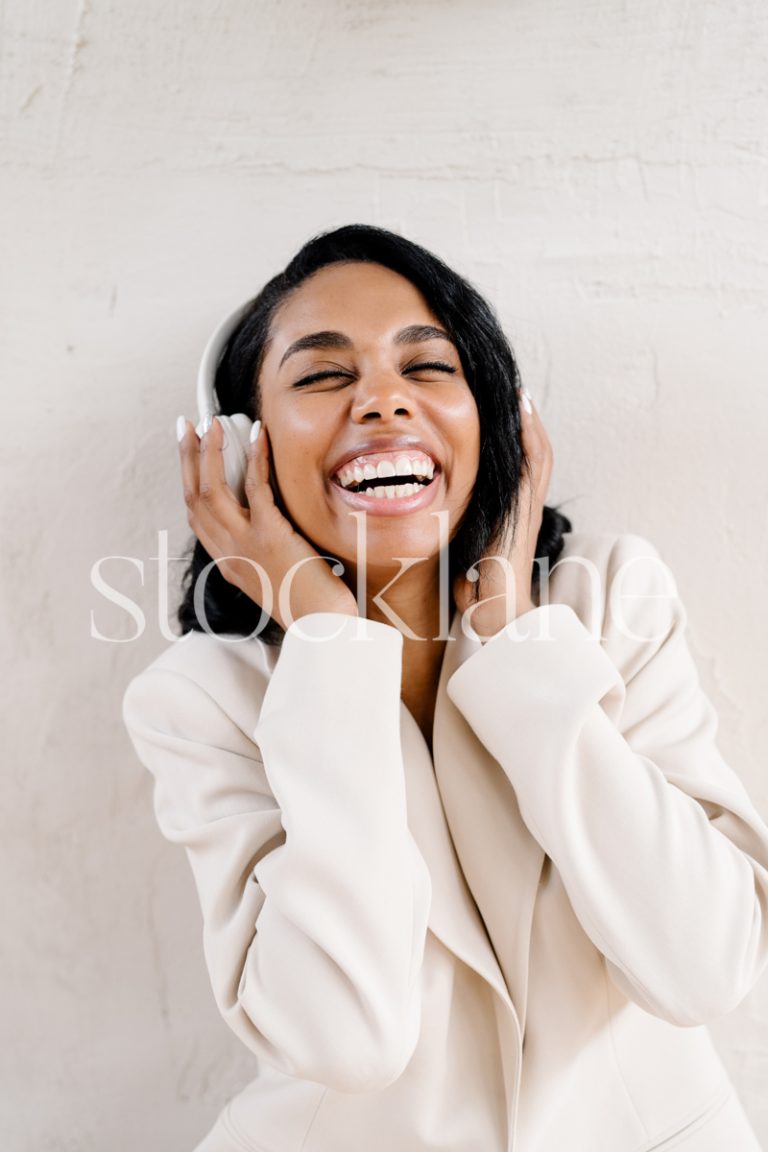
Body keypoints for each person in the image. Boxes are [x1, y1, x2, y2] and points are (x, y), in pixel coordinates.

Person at [122, 224, 768, 1152]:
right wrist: (327, 641)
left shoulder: (610, 597)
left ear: (496, 416)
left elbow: (703, 966)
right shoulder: (201, 700)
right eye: (322, 376)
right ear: (238, 455)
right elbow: (350, 1037)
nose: (384, 401)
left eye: (428, 368)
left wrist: (516, 651)